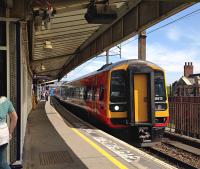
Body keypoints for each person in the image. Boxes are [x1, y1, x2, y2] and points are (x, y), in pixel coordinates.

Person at [0, 95, 18, 169]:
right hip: (4, 136)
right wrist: (10, 133)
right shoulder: (6, 101)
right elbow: (15, 118)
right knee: (2, 162)